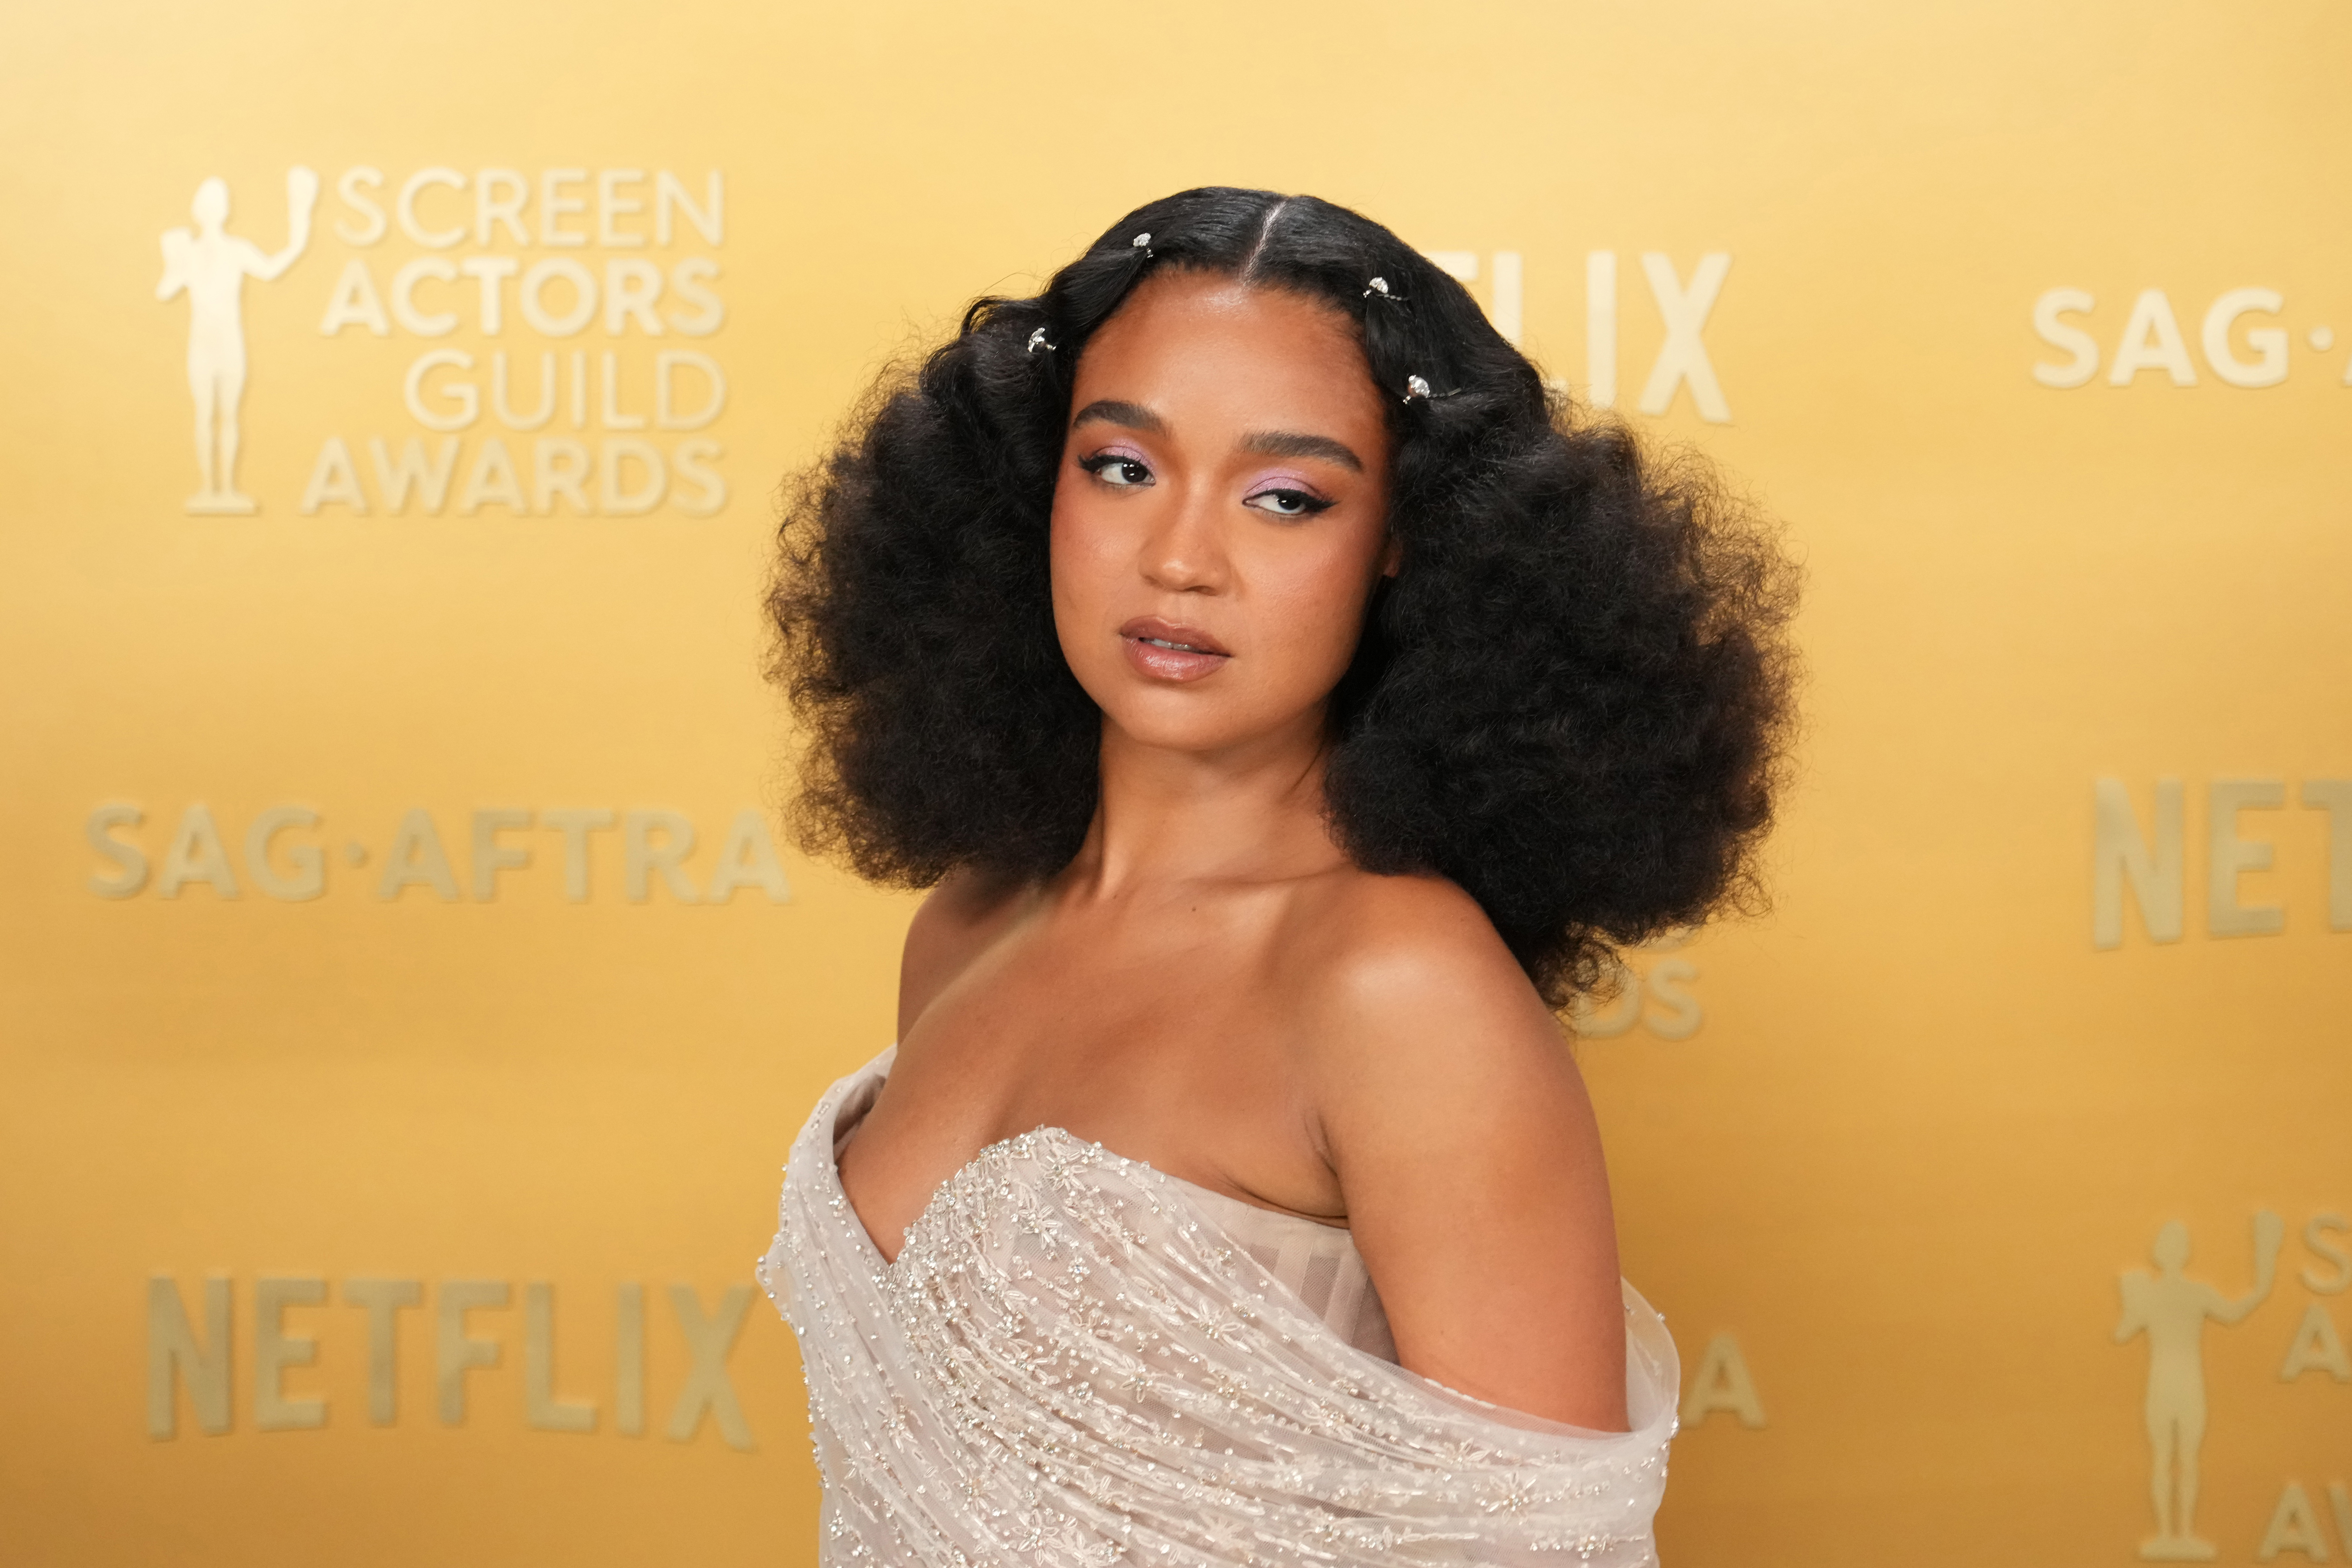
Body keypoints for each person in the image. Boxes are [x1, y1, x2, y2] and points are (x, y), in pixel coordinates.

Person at [757, 187, 1797, 1565]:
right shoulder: (969, 922)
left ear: (1404, 547)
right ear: (1032, 488)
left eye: (1286, 498)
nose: (1180, 557)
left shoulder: (1394, 986)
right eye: (1121, 466)